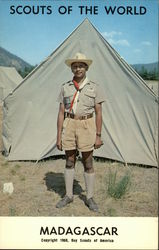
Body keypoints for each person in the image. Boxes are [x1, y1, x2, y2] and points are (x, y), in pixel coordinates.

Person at [56, 52, 105, 212]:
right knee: (69, 161)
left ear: (86, 68)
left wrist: (98, 136)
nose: (78, 69)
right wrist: (58, 136)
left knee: (88, 162)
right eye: (75, 66)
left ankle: (89, 197)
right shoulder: (65, 87)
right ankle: (68, 195)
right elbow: (61, 112)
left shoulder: (94, 87)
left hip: (87, 125)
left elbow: (99, 113)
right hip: (69, 124)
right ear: (71, 69)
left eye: (81, 66)